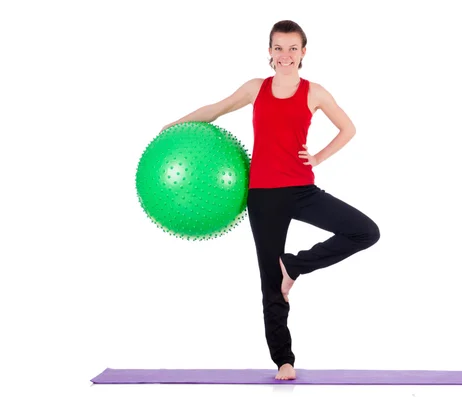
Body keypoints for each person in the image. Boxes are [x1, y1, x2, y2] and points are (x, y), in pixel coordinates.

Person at [162, 20, 380, 381]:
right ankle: (284, 360)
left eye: (293, 48)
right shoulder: (255, 88)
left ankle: (293, 265)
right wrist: (174, 126)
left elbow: (349, 129)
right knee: (269, 284)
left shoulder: (315, 92)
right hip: (262, 196)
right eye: (278, 48)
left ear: (304, 52)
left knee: (365, 232)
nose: (285, 55)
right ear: (269, 51)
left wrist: (320, 157)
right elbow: (214, 110)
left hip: (302, 191)